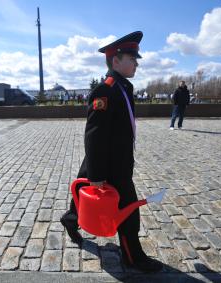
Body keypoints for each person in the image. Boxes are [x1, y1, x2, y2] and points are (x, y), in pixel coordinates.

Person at [60, 31, 163, 273]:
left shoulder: (122, 87)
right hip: (108, 167)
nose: (136, 63)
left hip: (115, 162)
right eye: (132, 58)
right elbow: (94, 135)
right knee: (129, 214)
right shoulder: (105, 91)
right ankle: (132, 257)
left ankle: (69, 219)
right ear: (116, 61)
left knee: (82, 203)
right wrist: (97, 174)